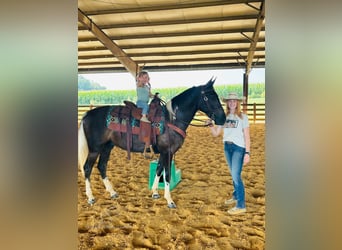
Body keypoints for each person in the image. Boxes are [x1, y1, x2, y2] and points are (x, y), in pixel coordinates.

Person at [206, 92, 250, 215]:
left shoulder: (243, 117)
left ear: (237, 103)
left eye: (234, 101)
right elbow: (216, 134)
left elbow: (247, 136)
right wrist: (210, 125)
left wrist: (247, 152)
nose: (232, 103)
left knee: (236, 176)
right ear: (227, 103)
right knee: (233, 173)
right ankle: (236, 196)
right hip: (227, 147)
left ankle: (241, 206)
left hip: (238, 148)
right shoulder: (222, 117)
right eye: (229, 101)